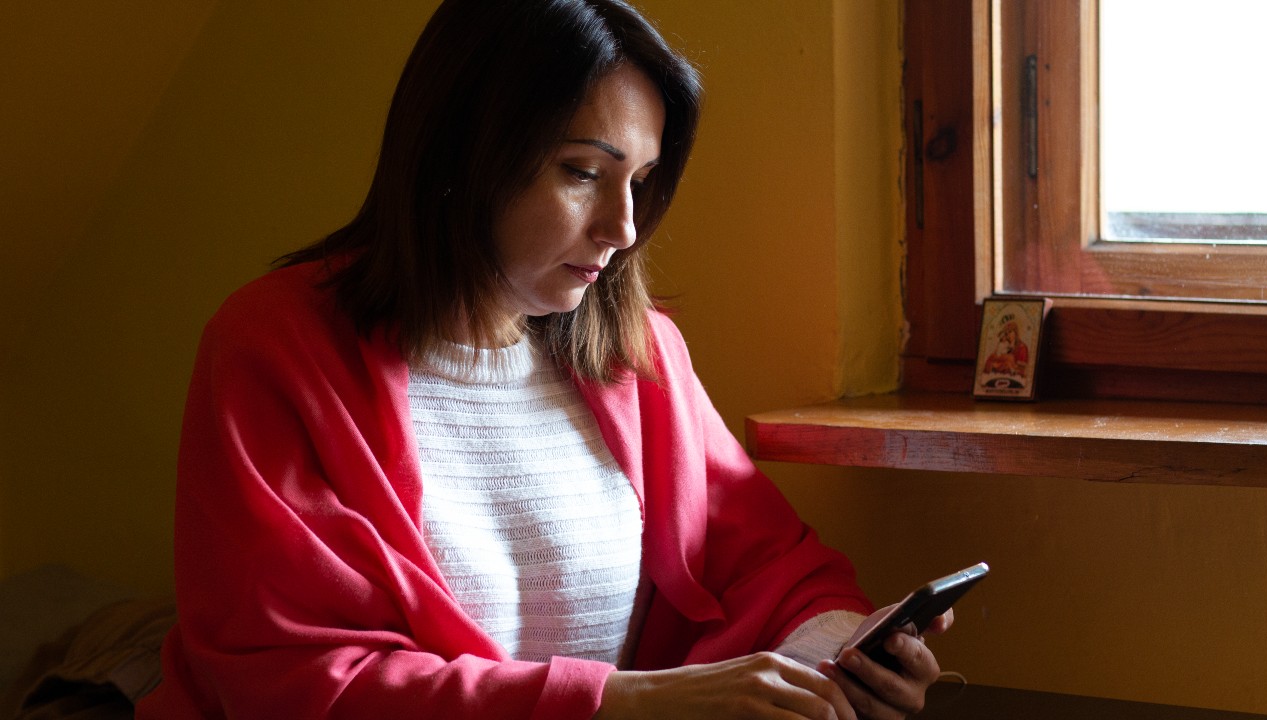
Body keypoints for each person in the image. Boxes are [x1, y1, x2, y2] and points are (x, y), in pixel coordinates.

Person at [136, 1, 954, 718]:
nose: (623, 227)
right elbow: (299, 681)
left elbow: (772, 567)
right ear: (464, 152)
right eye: (582, 173)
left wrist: (844, 651)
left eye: (641, 181)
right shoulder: (273, 346)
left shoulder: (639, 355)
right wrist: (618, 703)